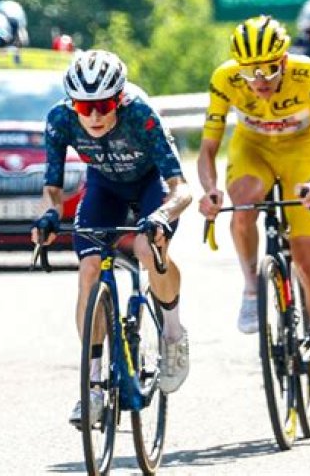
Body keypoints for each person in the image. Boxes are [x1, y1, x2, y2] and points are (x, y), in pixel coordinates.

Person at [31, 50, 193, 426]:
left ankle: (173, 334)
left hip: (151, 184)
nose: (94, 116)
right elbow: (52, 188)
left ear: (119, 99)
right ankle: (91, 387)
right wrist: (49, 214)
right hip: (105, 187)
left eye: (103, 106)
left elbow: (181, 188)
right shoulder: (59, 119)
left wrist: (162, 216)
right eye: (83, 107)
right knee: (89, 268)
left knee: (146, 249)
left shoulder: (140, 114)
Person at [197, 15, 310, 409]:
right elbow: (208, 148)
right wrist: (210, 189)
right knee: (243, 203)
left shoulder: (309, 75)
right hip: (255, 149)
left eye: (268, 69)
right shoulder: (225, 78)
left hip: (303, 152)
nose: (259, 80)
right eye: (250, 72)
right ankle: (251, 287)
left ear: (284, 60)